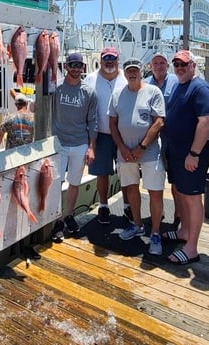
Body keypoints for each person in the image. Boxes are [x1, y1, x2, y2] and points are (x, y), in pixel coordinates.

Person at [161, 50, 209, 265]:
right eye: (176, 64)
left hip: (191, 154)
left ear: (193, 65)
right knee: (180, 192)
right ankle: (184, 231)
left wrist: (194, 153)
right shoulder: (179, 85)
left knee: (192, 198)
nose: (180, 68)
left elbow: (205, 121)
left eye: (184, 64)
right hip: (176, 152)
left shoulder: (200, 88)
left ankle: (191, 247)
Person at [109, 58, 166, 256]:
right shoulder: (117, 94)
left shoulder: (153, 91)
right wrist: (122, 147)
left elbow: (158, 122)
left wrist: (142, 147)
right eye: (129, 70)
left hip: (148, 151)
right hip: (125, 152)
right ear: (124, 73)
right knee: (131, 188)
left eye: (135, 70)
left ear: (141, 72)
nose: (132, 73)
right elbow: (112, 124)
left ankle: (156, 232)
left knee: (155, 192)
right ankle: (137, 224)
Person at [51, 52, 98, 241]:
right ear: (66, 67)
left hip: (80, 143)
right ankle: (55, 220)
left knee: (75, 183)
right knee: (56, 183)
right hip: (59, 143)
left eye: (79, 66)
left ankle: (68, 215)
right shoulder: (56, 88)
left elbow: (93, 121)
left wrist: (91, 147)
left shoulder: (89, 92)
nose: (76, 69)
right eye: (73, 65)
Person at [0, 91, 40, 260]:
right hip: (26, 163)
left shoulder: (9, 118)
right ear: (26, 105)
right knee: (25, 197)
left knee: (11, 199)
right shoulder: (33, 118)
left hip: (11, 163)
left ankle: (11, 242)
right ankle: (25, 238)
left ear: (16, 105)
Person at [84, 47, 129, 225]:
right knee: (102, 173)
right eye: (106, 58)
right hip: (99, 134)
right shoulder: (90, 79)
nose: (109, 61)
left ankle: (127, 206)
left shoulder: (127, 77)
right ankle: (103, 205)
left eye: (113, 58)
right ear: (101, 60)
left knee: (126, 172)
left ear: (118, 60)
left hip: (123, 134)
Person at [144, 52, 180, 230]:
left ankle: (178, 216)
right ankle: (158, 213)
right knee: (154, 180)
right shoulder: (145, 83)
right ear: (151, 66)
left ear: (167, 65)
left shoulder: (176, 81)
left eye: (162, 63)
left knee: (174, 180)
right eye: (155, 63)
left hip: (172, 136)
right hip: (151, 137)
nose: (159, 66)